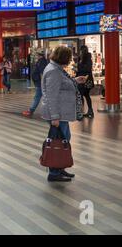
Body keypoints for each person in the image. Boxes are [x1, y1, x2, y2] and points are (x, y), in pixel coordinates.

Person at [42, 46, 87, 182]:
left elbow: (62, 85)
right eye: (69, 57)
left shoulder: (56, 69)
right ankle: (54, 173)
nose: (70, 60)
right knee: (59, 142)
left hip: (61, 113)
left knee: (63, 140)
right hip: (57, 114)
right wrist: (54, 117)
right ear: (64, 58)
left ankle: (59, 168)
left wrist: (75, 80)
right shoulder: (53, 71)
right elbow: (52, 96)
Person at [23, 50, 48, 117]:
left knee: (38, 97)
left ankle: (31, 110)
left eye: (37, 55)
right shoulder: (41, 61)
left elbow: (42, 73)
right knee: (42, 97)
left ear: (40, 56)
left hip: (40, 83)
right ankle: (31, 110)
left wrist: (43, 83)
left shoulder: (42, 62)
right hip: (39, 83)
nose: (36, 56)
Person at [76, 45, 94, 118]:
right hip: (82, 79)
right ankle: (89, 111)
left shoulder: (88, 59)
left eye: (80, 50)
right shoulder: (80, 58)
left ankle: (82, 112)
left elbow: (87, 69)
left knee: (81, 95)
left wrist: (79, 69)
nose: (79, 52)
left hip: (86, 80)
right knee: (85, 95)